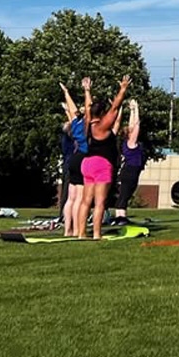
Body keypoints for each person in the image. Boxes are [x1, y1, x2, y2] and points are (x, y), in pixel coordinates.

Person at [76, 75, 130, 239]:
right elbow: (115, 107)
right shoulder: (102, 126)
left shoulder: (87, 123)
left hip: (87, 163)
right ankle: (97, 234)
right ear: (102, 113)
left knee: (86, 201)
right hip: (101, 164)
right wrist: (123, 89)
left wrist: (87, 90)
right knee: (99, 202)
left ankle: (81, 233)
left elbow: (87, 107)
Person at [59, 83, 88, 236]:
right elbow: (84, 108)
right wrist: (87, 91)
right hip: (83, 158)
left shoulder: (75, 123)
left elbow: (71, 110)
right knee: (79, 199)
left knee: (70, 198)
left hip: (74, 160)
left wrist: (66, 92)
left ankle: (67, 230)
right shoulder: (86, 125)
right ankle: (77, 230)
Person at [116, 99, 143, 223]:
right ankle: (120, 217)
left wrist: (131, 110)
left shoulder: (127, 143)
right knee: (125, 195)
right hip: (130, 171)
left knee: (124, 194)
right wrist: (136, 109)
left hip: (129, 171)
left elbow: (132, 125)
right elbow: (136, 126)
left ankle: (121, 217)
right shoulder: (131, 142)